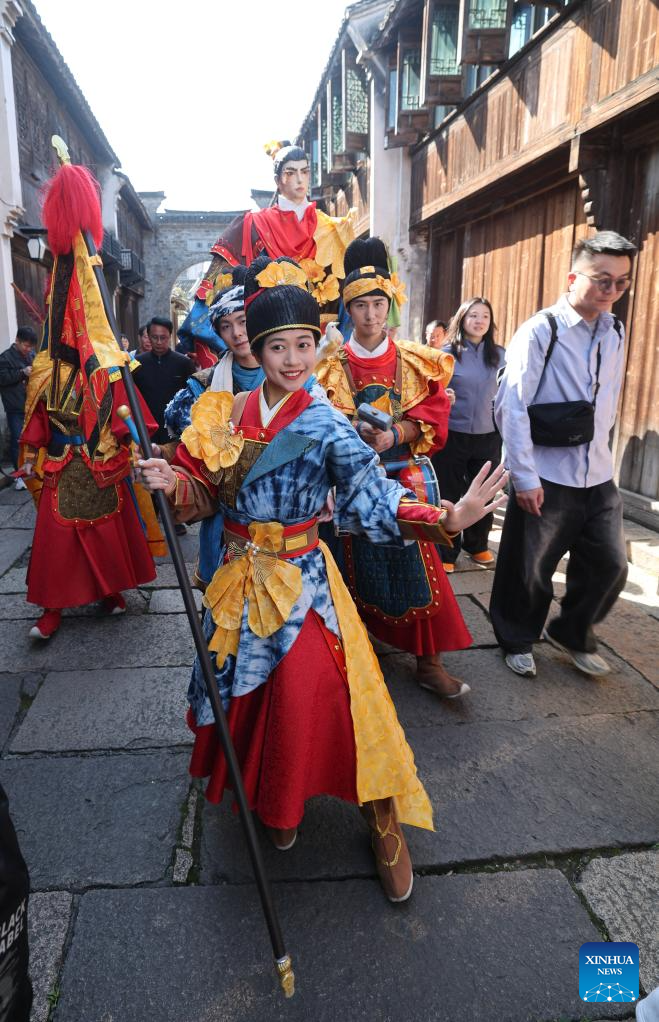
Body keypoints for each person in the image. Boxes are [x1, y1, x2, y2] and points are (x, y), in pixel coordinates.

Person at [138, 254, 507, 902]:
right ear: (257, 347)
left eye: (303, 344)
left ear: (317, 345)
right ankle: (272, 799)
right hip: (237, 579)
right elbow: (208, 491)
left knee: (330, 695)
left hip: (305, 580)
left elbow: (371, 497)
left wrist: (444, 517)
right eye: (277, 346)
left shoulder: (328, 422)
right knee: (246, 698)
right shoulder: (226, 410)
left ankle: (380, 816)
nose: (291, 359)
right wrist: (175, 482)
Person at [317, 237, 484, 699]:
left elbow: (434, 414)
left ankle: (429, 661)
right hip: (348, 483)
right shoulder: (327, 365)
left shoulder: (414, 359)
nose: (371, 315)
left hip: (403, 479)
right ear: (347, 309)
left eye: (378, 304)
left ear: (388, 305)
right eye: (360, 306)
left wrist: (396, 435)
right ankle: (353, 654)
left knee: (420, 566)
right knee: (346, 568)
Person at [490, 230, 635, 679]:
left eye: (622, 282)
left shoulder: (615, 330)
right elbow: (511, 405)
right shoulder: (541, 330)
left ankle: (572, 631)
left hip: (598, 471)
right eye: (602, 280)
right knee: (531, 566)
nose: (612, 291)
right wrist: (524, 477)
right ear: (574, 278)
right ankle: (517, 637)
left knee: (610, 563)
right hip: (546, 470)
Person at [19, 171, 158, 640]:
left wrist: (136, 445)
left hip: (102, 463)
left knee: (105, 532)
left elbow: (130, 419)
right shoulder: (50, 370)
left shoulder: (107, 370)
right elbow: (39, 417)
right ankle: (52, 607)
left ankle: (111, 591)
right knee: (57, 541)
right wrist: (32, 451)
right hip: (63, 463)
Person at [164, 265, 264, 587]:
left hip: (277, 515)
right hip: (224, 514)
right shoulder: (204, 386)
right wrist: (162, 454)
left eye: (243, 321)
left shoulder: (288, 374)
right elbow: (189, 451)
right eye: (226, 325)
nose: (237, 333)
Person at [432, 297, 505, 573]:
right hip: (453, 434)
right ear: (462, 319)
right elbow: (431, 391)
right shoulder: (446, 354)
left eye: (485, 316)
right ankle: (447, 550)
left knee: (484, 492)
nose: (479, 321)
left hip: (489, 435)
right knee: (448, 492)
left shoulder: (500, 355)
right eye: (474, 315)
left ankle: (477, 545)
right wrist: (444, 396)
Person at [134, 317, 194, 445]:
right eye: (154, 337)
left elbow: (192, 397)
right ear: (148, 336)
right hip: (147, 428)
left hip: (175, 430)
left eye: (163, 338)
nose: (159, 342)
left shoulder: (184, 363)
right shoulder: (137, 363)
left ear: (170, 336)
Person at [0, 326, 37, 488]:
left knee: (34, 439)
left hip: (32, 405)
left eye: (31, 347)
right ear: (17, 341)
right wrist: (22, 372)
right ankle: (19, 476)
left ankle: (34, 468)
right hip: (15, 408)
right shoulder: (5, 358)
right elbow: (3, 379)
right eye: (26, 346)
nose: (28, 349)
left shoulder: (32, 355)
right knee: (18, 441)